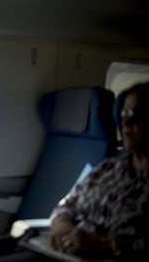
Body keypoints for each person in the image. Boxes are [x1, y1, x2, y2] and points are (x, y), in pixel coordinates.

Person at [50, 82, 149, 260]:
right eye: (124, 113)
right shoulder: (107, 167)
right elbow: (67, 204)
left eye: (136, 113)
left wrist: (104, 245)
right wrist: (62, 226)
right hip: (67, 251)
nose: (126, 121)